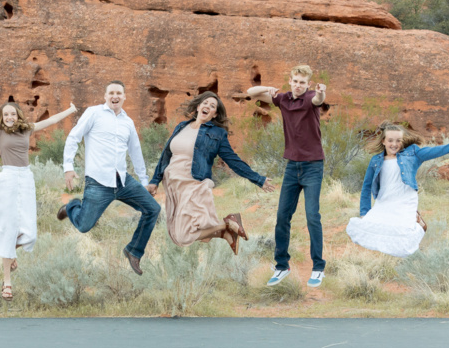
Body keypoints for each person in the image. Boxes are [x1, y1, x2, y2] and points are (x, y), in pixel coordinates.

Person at [0, 55, 78, 300]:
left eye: (12, 114)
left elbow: (50, 121)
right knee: (7, 229)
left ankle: (10, 253)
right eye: (5, 114)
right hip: (7, 178)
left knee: (29, 233)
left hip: (26, 178)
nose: (8, 117)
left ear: (17, 115)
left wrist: (69, 110)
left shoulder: (27, 129)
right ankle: (7, 282)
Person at [147, 92, 276, 253]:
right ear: (198, 106)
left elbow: (233, 161)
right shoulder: (181, 126)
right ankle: (226, 233)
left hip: (193, 184)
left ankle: (228, 225)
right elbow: (166, 155)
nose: (207, 106)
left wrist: (258, 179)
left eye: (212, 106)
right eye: (205, 103)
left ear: (215, 113)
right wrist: (154, 181)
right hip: (174, 186)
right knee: (177, 235)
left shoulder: (216, 133)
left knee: (183, 235)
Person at [58, 81, 161, 275]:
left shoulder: (127, 122)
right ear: (105, 96)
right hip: (98, 182)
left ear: (124, 97)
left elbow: (135, 152)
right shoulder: (94, 113)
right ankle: (72, 206)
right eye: (111, 93)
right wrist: (68, 167)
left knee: (153, 209)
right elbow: (74, 137)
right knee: (83, 226)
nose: (115, 96)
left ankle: (134, 251)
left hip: (123, 181)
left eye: (119, 93)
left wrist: (144, 181)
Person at [247, 64, 328, 287]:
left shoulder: (311, 97)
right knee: (283, 216)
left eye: (303, 82)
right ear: (290, 81)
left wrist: (321, 91)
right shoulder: (283, 98)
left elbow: (318, 100)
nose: (299, 85)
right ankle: (282, 265)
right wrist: (269, 88)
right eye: (295, 81)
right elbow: (250, 93)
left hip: (312, 166)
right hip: (292, 166)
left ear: (308, 84)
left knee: (312, 216)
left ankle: (318, 267)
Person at [347, 123, 449, 257]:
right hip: (385, 201)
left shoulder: (413, 154)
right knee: (366, 229)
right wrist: (364, 211)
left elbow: (436, 151)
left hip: (405, 199)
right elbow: (366, 186)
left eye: (398, 141)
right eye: (390, 140)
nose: (394, 144)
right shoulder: (375, 160)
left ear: (402, 141)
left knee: (405, 239)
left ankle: (419, 226)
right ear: (383, 141)